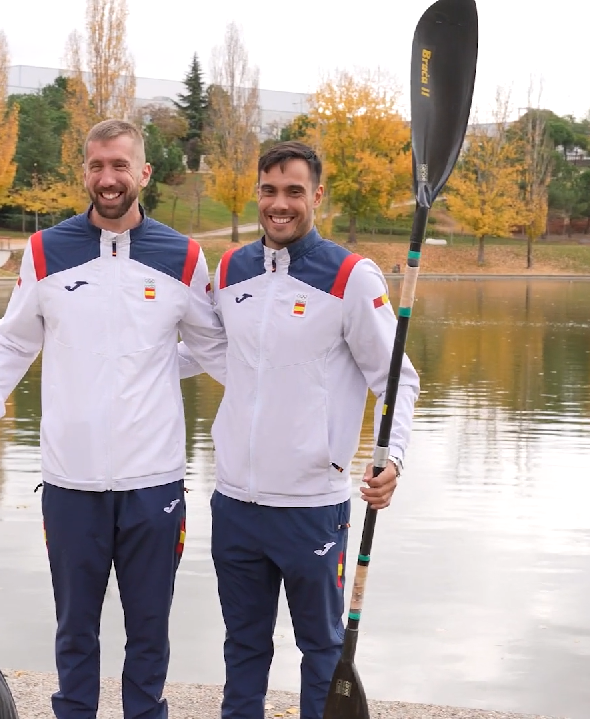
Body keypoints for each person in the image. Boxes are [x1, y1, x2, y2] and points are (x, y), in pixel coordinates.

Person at [0, 119, 227, 719]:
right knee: (75, 629)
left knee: (150, 629)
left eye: (120, 165)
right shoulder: (46, 251)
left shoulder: (184, 256)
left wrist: (152, 367)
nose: (108, 178)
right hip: (71, 483)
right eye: (97, 166)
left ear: (144, 172)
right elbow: (13, 342)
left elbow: (215, 348)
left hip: (155, 484)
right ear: (85, 173)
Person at [184, 140, 420, 719]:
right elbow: (212, 351)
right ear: (256, 194)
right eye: (269, 191)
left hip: (311, 503)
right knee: (243, 645)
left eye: (294, 191)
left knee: (321, 648)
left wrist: (392, 458)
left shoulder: (350, 276)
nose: (280, 204)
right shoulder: (231, 268)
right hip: (235, 501)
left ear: (317, 196)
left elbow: (397, 379)